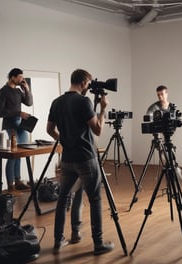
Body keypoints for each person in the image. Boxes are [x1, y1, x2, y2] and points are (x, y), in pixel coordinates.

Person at [47, 69, 114, 255]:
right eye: (88, 84)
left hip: (67, 159)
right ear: (84, 82)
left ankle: (58, 240)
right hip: (86, 158)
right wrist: (102, 109)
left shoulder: (57, 102)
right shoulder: (84, 101)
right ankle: (98, 243)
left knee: (62, 199)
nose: (88, 88)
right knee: (95, 199)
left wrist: (64, 139)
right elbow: (98, 130)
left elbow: (49, 129)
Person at [0, 68, 33, 192]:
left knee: (21, 154)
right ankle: (10, 184)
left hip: (20, 124)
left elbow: (29, 102)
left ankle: (18, 181)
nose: (22, 79)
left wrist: (26, 89)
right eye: (20, 77)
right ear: (12, 77)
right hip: (10, 125)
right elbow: (0, 111)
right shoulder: (3, 91)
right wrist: (18, 112)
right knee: (13, 155)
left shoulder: (18, 91)